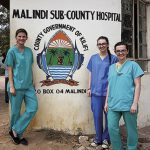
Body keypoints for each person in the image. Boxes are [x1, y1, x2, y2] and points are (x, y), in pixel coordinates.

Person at [104, 42, 144, 150]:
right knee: (112, 128)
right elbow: (109, 86)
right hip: (113, 103)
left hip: (129, 104)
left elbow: (138, 84)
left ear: (127, 51)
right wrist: (106, 102)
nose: (120, 53)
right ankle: (117, 148)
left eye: (123, 50)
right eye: (118, 51)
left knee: (131, 130)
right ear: (115, 52)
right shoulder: (111, 67)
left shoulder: (133, 65)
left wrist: (135, 103)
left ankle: (132, 148)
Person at [5, 28, 38, 145]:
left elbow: (30, 67)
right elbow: (9, 69)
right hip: (16, 86)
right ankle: (17, 136)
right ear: (16, 37)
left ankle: (15, 129)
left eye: (24, 36)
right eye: (19, 36)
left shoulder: (29, 51)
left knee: (33, 107)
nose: (22, 38)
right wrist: (12, 86)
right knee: (15, 111)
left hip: (28, 85)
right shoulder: (11, 52)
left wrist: (33, 81)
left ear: (26, 38)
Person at [87, 36, 118, 148]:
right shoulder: (93, 58)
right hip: (95, 92)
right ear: (97, 45)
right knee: (97, 116)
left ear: (107, 44)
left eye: (103, 43)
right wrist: (89, 88)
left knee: (110, 117)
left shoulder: (113, 58)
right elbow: (90, 73)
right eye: (99, 44)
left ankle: (106, 138)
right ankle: (98, 138)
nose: (101, 46)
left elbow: (114, 76)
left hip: (108, 93)